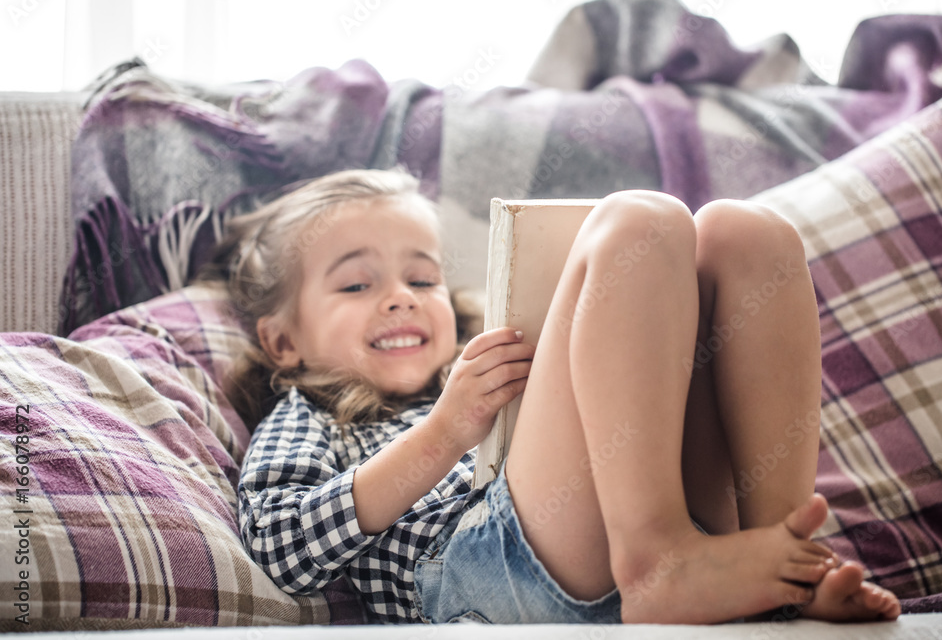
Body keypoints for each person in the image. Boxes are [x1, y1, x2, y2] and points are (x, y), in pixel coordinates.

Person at [212, 167, 901, 625]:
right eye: (357, 286)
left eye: (422, 280)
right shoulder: (311, 414)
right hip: (481, 570)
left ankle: (781, 558)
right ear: (282, 342)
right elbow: (281, 544)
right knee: (636, 221)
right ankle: (659, 557)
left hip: (601, 519)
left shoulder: (486, 355)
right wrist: (445, 432)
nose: (400, 299)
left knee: (747, 232)